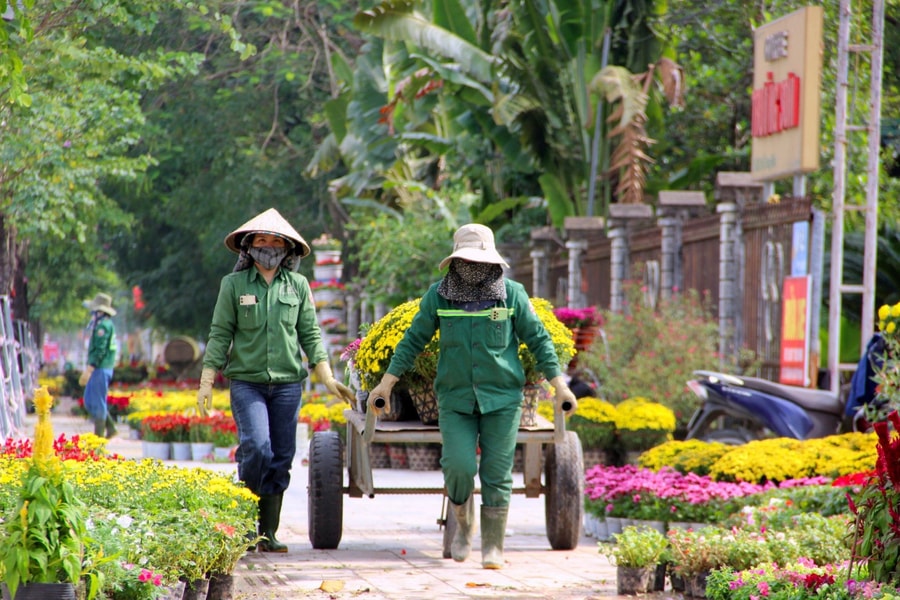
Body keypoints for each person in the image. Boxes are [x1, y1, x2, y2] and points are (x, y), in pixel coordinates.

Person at [367, 223, 578, 569]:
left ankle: (493, 546)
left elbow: (539, 340)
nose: (473, 267)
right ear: (455, 261)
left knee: (497, 474)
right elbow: (412, 341)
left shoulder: (512, 295)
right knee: (459, 467)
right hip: (455, 399)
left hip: (503, 399)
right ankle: (463, 527)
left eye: (479, 260)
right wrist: (386, 383)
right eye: (466, 261)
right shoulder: (439, 295)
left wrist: (560, 385)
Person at [197, 207, 355, 553]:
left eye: (275, 241)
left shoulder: (297, 285)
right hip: (247, 382)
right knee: (257, 447)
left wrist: (327, 377)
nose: (268, 245)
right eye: (262, 239)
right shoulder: (233, 285)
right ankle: (242, 521)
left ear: (286, 248)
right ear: (249, 246)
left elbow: (310, 334)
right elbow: (221, 333)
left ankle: (267, 532)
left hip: (287, 384)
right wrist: (207, 378)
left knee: (282, 456)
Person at [79, 292, 118, 438]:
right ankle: (111, 427)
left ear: (100, 312)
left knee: (98, 401)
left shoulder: (104, 327)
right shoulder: (101, 325)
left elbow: (100, 350)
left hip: (101, 367)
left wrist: (91, 367)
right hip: (98, 368)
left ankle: (99, 437)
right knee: (89, 401)